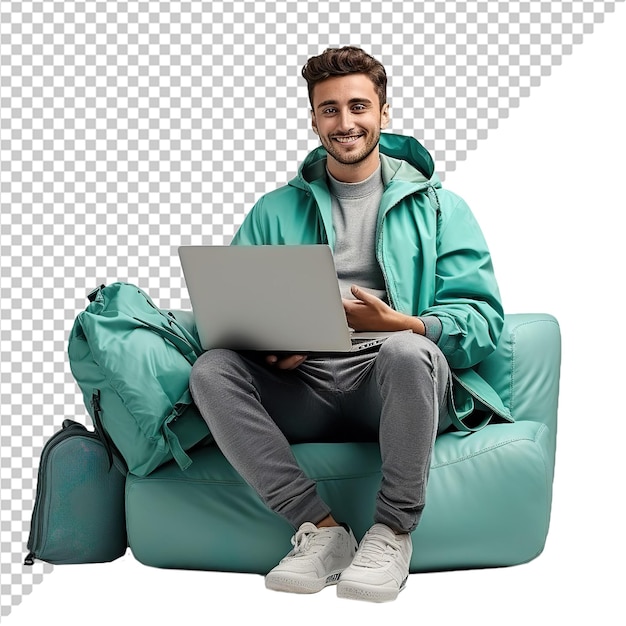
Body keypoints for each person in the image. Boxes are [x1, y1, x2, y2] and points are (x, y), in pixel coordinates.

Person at [189, 46, 505, 603]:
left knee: (405, 352)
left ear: (383, 113)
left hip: (392, 379)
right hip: (302, 380)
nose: (345, 122)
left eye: (358, 106)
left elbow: (481, 321)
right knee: (212, 370)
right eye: (329, 110)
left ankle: (392, 533)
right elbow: (234, 309)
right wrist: (268, 350)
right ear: (313, 119)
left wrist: (401, 322)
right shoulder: (272, 210)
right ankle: (323, 533)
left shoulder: (440, 208)